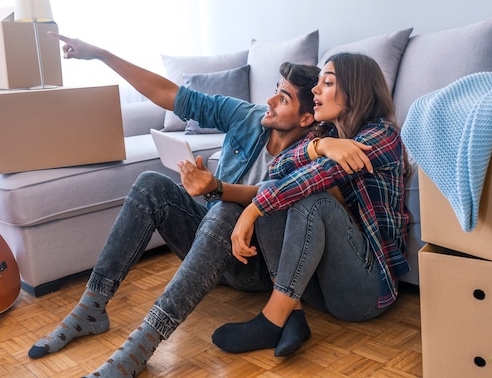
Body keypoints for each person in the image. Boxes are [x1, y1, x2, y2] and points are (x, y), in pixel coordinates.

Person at [29, 33, 371, 377]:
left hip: (252, 264)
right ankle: (91, 310)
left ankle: (142, 345)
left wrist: (218, 189)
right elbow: (169, 95)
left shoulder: (317, 150)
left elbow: (278, 198)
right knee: (151, 183)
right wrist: (102, 54)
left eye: (282, 98)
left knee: (225, 209)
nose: (269, 101)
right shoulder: (248, 117)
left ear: (306, 119)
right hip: (207, 239)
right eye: (274, 89)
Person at [211, 52, 410, 357]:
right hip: (321, 287)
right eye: (317, 84)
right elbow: (277, 169)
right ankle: (293, 316)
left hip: (368, 292)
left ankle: (271, 320)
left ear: (354, 91)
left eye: (327, 83)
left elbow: (315, 177)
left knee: (311, 199)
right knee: (272, 188)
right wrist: (321, 145)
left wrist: (252, 210)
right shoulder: (326, 134)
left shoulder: (381, 136)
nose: (316, 90)